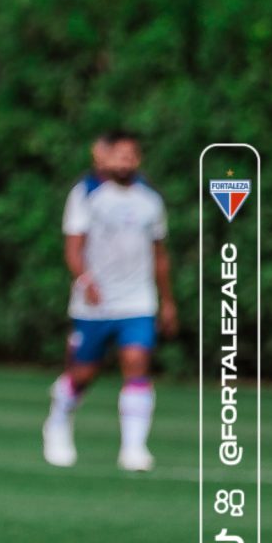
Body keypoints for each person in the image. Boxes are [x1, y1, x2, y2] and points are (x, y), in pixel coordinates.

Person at [43, 130, 174, 473]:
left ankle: (134, 448)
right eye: (119, 154)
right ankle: (58, 419)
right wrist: (85, 280)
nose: (125, 161)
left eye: (131, 155)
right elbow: (73, 247)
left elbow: (160, 255)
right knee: (83, 373)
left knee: (136, 362)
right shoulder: (87, 194)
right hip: (95, 303)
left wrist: (168, 300)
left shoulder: (150, 200)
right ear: (106, 157)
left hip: (138, 300)